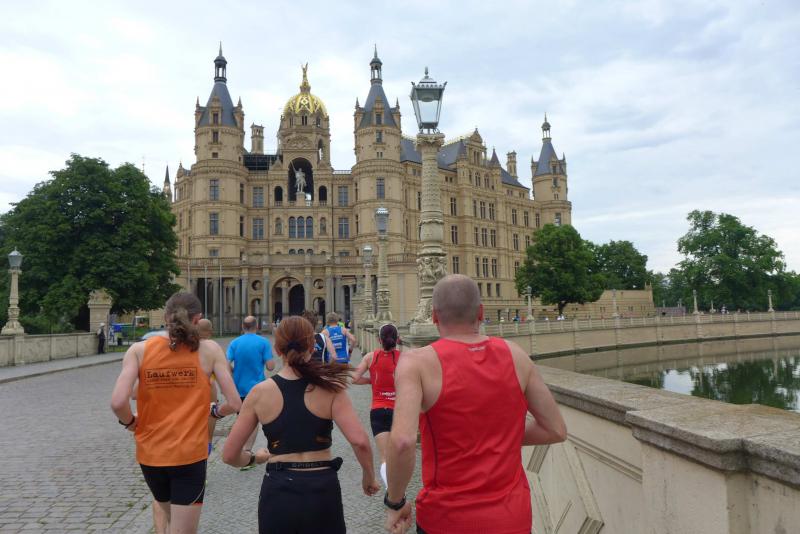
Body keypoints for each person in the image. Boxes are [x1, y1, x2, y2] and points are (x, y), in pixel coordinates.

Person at [384, 275, 567, 534]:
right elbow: (556, 429)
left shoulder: (417, 363)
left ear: (434, 316)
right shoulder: (515, 355)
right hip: (511, 519)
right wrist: (497, 436)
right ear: (480, 313)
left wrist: (395, 501)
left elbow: (402, 442)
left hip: (446, 519)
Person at [222, 316, 380, 533]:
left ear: (277, 349)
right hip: (322, 488)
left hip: (278, 488)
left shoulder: (259, 393)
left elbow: (229, 455)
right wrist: (368, 476)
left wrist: (253, 458)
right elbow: (360, 442)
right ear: (312, 347)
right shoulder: (331, 388)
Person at [110, 292, 242, 534]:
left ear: (165, 317)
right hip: (189, 454)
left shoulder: (138, 350)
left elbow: (118, 401)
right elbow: (234, 402)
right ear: (198, 319)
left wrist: (130, 423)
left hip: (151, 455)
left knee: (171, 520)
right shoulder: (209, 350)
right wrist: (215, 412)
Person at [351, 323, 400, 487]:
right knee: (399, 456)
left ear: (379, 340)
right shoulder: (404, 358)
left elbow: (354, 378)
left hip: (378, 411)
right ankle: (398, 490)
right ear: (397, 339)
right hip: (399, 411)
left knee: (385, 458)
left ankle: (391, 490)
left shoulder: (370, 357)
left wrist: (370, 381)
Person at [227, 315, 275, 464]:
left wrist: (233, 371)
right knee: (255, 420)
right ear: (257, 326)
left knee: (241, 418)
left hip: (239, 388)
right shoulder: (263, 342)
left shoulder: (235, 342)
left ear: (243, 327)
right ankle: (248, 451)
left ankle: (240, 450)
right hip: (258, 389)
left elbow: (225, 363)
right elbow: (271, 366)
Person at [197, 319, 219, 454]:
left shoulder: (188, 346)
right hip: (208, 387)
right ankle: (208, 443)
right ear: (210, 332)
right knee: (212, 410)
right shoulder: (212, 348)